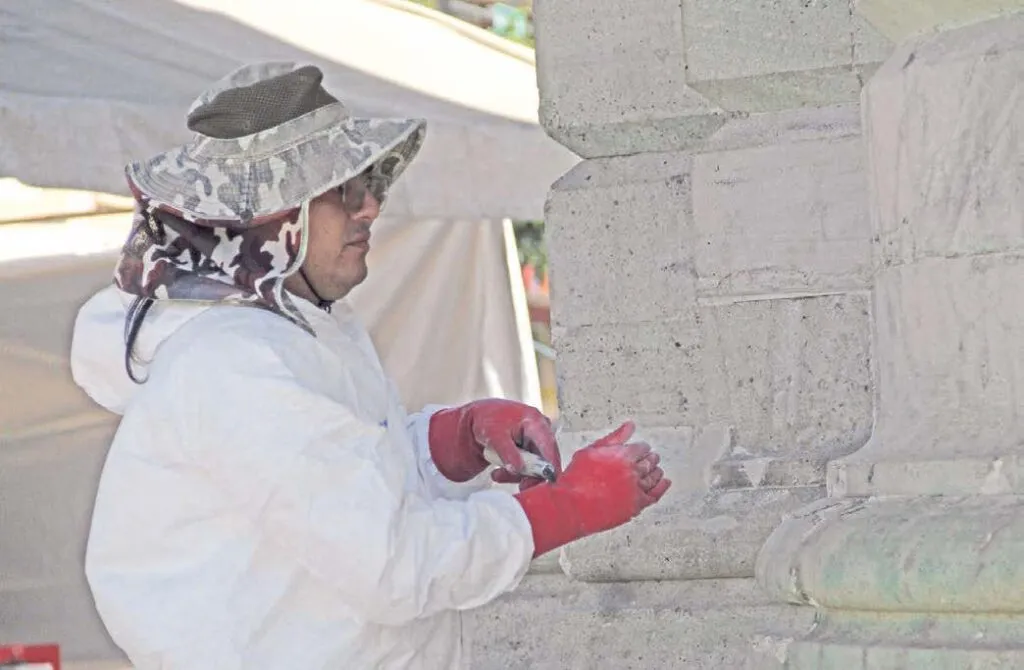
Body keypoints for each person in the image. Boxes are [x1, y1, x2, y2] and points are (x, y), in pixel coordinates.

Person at [70, 62, 671, 669]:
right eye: (342, 192)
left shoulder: (294, 331)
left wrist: (451, 441)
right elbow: (393, 565)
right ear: (276, 220)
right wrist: (566, 506)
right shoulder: (236, 364)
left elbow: (341, 484)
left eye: (368, 185)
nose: (370, 209)